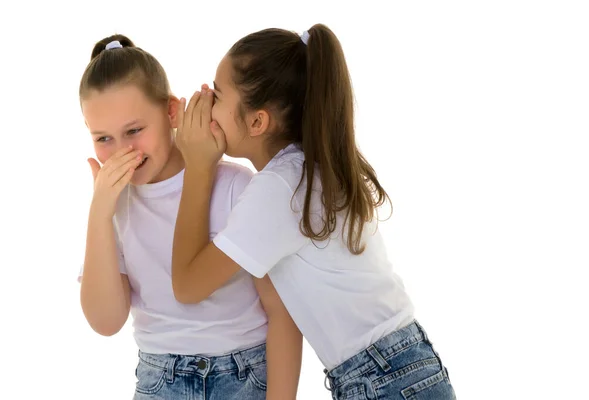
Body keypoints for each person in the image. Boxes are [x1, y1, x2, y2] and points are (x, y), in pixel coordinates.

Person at [171, 24, 457, 399]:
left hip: (382, 378)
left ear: (257, 122)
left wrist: (197, 167)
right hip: (400, 367)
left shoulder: (279, 189)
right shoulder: (307, 170)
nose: (204, 98)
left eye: (217, 92)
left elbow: (188, 285)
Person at [77, 34, 301, 400]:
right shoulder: (114, 206)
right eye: (103, 139)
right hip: (159, 381)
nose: (122, 151)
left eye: (134, 131)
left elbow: (282, 313)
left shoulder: (236, 186)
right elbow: (105, 322)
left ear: (170, 112)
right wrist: (98, 215)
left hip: (244, 376)